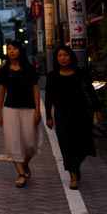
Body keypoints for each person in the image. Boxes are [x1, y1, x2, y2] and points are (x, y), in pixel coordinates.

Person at [45, 45, 102, 190]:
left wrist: (97, 109)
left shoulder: (80, 73)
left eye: (65, 55)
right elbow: (49, 97)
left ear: (71, 56)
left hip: (81, 113)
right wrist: (48, 117)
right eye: (59, 55)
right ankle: (73, 177)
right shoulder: (53, 76)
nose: (63, 58)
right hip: (62, 115)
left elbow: (90, 91)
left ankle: (76, 166)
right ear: (56, 59)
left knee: (81, 145)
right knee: (66, 145)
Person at [0, 39, 40, 188]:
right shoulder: (3, 70)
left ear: (20, 51)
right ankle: (21, 174)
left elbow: (35, 89)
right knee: (13, 141)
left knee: (31, 143)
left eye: (14, 48)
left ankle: (25, 164)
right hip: (10, 109)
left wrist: (38, 111)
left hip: (29, 108)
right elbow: (1, 92)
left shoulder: (29, 69)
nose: (12, 51)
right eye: (9, 49)